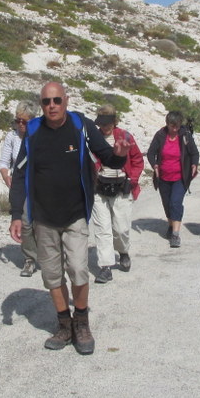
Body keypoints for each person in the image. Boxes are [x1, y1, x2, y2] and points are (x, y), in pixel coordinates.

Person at [9, 82, 128, 355]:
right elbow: (19, 175)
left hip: (75, 215)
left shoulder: (81, 125)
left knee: (77, 268)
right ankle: (64, 324)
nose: (52, 106)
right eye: (46, 102)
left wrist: (119, 157)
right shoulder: (34, 132)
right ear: (41, 104)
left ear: (66, 100)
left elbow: (107, 156)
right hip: (43, 218)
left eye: (57, 101)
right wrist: (17, 214)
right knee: (52, 275)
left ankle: (82, 322)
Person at [90, 105, 144, 284]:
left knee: (120, 228)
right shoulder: (92, 138)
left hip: (121, 187)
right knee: (102, 228)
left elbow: (137, 160)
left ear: (114, 121)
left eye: (107, 124)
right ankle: (106, 267)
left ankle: (123, 251)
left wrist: (133, 179)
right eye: (101, 124)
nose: (104, 127)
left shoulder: (126, 137)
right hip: (99, 188)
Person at [146, 111, 200, 249]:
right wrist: (155, 165)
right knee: (167, 204)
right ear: (167, 124)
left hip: (180, 177)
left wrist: (194, 164)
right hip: (163, 176)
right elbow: (151, 152)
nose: (175, 129)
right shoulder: (160, 135)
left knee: (175, 202)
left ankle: (175, 234)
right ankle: (170, 224)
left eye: (177, 126)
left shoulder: (185, 135)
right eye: (172, 126)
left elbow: (194, 152)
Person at [0, 101, 38, 277]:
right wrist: (7, 177)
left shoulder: (39, 136)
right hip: (21, 185)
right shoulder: (12, 137)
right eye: (18, 120)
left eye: (25, 121)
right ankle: (29, 259)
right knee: (25, 221)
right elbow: (4, 162)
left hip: (40, 184)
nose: (20, 124)